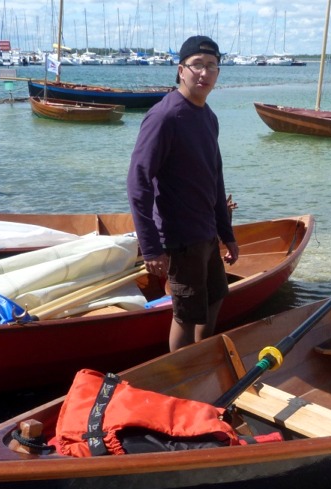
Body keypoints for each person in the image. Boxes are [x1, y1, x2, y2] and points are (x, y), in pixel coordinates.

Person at [127, 35, 239, 351]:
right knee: (186, 315)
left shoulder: (208, 116)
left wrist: (226, 234)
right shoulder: (165, 116)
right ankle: (182, 382)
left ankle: (201, 360)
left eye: (212, 66)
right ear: (181, 70)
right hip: (180, 238)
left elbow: (215, 178)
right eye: (197, 65)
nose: (205, 73)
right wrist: (150, 248)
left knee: (216, 297)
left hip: (205, 232)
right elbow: (138, 183)